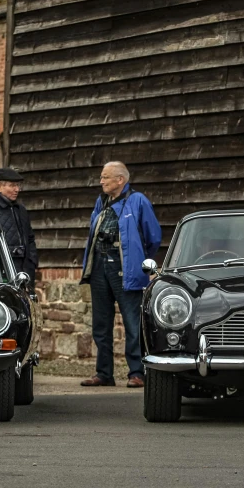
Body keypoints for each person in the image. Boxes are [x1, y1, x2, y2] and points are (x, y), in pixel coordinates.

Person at [79, 161, 162, 388]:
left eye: (106, 177)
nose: (101, 181)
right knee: (101, 324)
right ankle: (104, 373)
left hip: (126, 269)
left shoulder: (138, 201)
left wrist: (138, 259)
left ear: (120, 180)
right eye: (101, 177)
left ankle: (137, 373)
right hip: (99, 268)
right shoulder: (101, 201)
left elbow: (153, 237)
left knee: (133, 323)